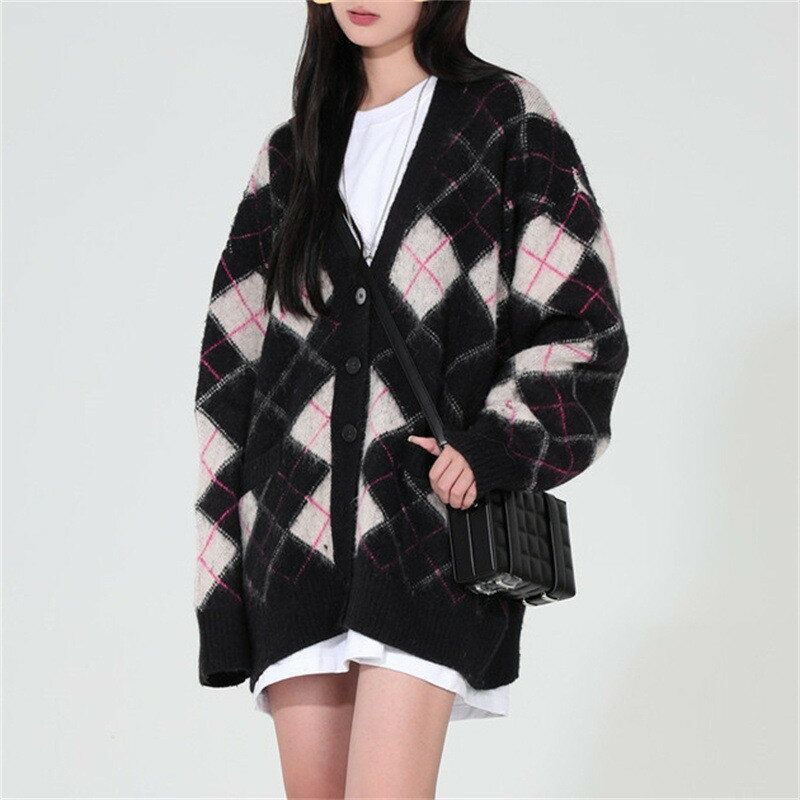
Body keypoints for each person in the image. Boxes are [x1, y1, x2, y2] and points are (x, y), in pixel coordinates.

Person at [192, 1, 629, 797]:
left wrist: (495, 445)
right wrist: (221, 598)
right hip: (290, 552)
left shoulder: (504, 120)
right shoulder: (290, 157)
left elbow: (583, 327)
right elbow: (228, 384)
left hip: (424, 540)